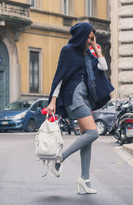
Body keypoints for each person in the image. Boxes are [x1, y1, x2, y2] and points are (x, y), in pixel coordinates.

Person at [46, 22, 114, 194]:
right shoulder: (67, 51)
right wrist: (53, 101)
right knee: (93, 133)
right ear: (82, 35)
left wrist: (94, 47)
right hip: (73, 97)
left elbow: (103, 67)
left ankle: (85, 180)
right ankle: (59, 159)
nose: (90, 41)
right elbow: (59, 77)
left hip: (85, 98)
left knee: (87, 136)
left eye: (92, 38)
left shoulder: (88, 54)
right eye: (89, 37)